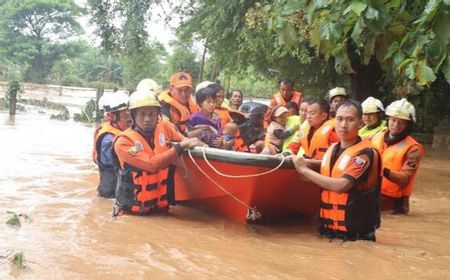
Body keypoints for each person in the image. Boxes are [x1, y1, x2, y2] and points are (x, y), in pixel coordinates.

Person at [293, 100, 381, 241]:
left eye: (350, 120)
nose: (343, 125)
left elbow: (341, 186)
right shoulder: (332, 148)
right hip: (327, 232)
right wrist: (301, 164)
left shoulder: (366, 154)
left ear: (360, 123)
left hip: (355, 237)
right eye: (339, 119)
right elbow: (327, 168)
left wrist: (303, 170)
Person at [113, 91, 203, 215]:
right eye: (142, 114)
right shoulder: (123, 142)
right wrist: (179, 148)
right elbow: (152, 165)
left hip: (160, 209)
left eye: (152, 114)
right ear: (133, 115)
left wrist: (203, 146)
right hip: (133, 214)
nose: (147, 119)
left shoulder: (166, 127)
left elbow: (187, 141)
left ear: (158, 115)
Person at [371, 98, 424, 214]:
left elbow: (405, 179)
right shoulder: (377, 137)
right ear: (388, 119)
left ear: (408, 125)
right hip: (372, 197)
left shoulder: (414, 148)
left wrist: (381, 170)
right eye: (393, 120)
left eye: (402, 122)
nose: (396, 125)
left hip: (394, 205)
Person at [93, 91, 130, 198]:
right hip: (110, 192)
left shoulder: (121, 132)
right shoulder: (108, 139)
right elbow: (119, 164)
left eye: (130, 113)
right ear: (112, 116)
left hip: (119, 189)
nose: (130, 118)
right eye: (125, 114)